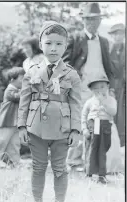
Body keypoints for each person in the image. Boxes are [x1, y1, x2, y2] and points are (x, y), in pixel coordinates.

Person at [18, 21, 81, 202]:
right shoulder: (31, 71)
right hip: (35, 127)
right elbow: (24, 101)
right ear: (40, 44)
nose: (53, 48)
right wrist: (22, 126)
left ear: (65, 46)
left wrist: (76, 129)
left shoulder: (71, 74)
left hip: (63, 128)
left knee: (60, 168)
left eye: (59, 44)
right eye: (48, 43)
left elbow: (76, 104)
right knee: (38, 167)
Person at [64, 2, 115, 169]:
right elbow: (64, 63)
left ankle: (91, 163)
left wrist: (111, 87)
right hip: (81, 88)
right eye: (89, 20)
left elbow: (108, 67)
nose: (92, 23)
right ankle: (73, 161)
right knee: (80, 122)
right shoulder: (75, 38)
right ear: (84, 21)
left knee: (99, 124)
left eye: (95, 20)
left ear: (100, 21)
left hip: (100, 89)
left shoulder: (105, 42)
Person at [81, 76, 117, 184]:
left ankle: (101, 174)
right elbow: (84, 115)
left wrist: (104, 102)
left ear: (107, 86)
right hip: (94, 124)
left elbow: (113, 112)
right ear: (91, 90)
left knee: (103, 149)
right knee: (93, 148)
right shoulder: (89, 102)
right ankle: (91, 174)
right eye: (96, 88)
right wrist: (84, 129)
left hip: (105, 126)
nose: (100, 90)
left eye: (102, 86)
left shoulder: (111, 100)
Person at [108, 23, 125, 147]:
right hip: (113, 86)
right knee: (113, 113)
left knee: (123, 114)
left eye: (120, 33)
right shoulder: (108, 51)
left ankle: (123, 141)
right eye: (115, 34)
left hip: (124, 86)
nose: (118, 37)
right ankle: (113, 142)